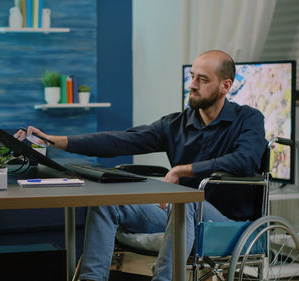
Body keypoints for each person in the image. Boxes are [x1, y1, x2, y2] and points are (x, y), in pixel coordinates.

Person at [14, 50, 267, 281]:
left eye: (202, 79)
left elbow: (245, 160)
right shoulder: (176, 124)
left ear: (226, 86)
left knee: (186, 200)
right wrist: (59, 141)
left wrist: (184, 170)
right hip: (178, 214)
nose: (192, 85)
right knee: (106, 203)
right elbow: (122, 140)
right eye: (192, 77)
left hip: (227, 223)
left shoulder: (248, 119)